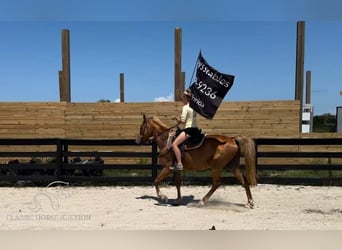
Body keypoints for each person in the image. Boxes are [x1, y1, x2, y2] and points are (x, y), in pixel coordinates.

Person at [170, 88, 199, 171]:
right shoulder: (195, 108)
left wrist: (176, 118)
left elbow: (183, 121)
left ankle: (179, 164)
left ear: (186, 98)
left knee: (174, 144)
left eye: (183, 97)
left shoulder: (185, 107)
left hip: (188, 129)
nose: (182, 99)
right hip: (195, 129)